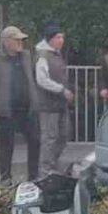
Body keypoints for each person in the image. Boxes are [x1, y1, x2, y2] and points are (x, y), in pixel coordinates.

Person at [0, 26, 39, 183]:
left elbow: (32, 78)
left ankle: (33, 177)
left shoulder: (26, 56)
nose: (20, 43)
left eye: (21, 40)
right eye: (17, 40)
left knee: (35, 140)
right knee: (7, 145)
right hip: (6, 109)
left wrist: (35, 100)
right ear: (6, 42)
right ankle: (5, 178)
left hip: (27, 108)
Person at [33, 22, 75, 178]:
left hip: (60, 104)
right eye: (58, 37)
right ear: (50, 39)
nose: (61, 40)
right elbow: (41, 80)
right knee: (49, 139)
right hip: (48, 105)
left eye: (62, 37)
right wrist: (61, 90)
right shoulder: (42, 56)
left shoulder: (56, 54)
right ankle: (44, 172)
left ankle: (51, 165)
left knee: (64, 135)